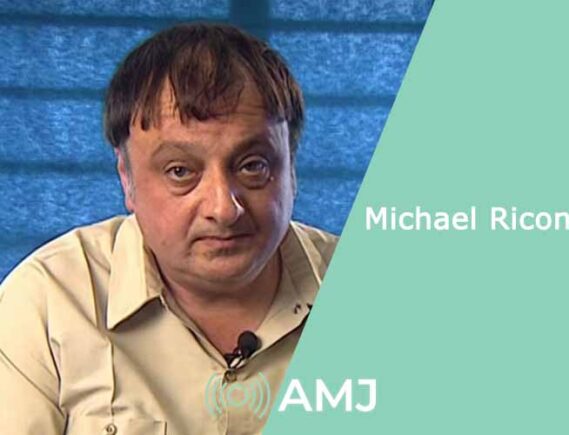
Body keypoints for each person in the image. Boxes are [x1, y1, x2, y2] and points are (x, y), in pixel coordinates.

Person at [0, 23, 337, 434]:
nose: (223, 209)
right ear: (127, 178)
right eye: (180, 171)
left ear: (291, 170)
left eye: (253, 166)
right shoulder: (47, 302)